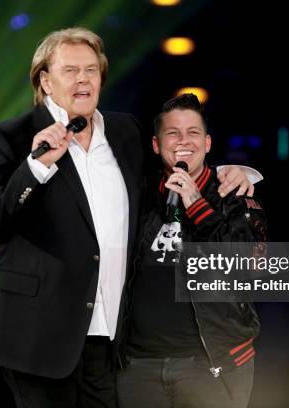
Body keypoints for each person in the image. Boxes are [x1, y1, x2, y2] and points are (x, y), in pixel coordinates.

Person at [0, 27, 259, 408]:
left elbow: (174, 161)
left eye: (91, 70)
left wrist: (233, 171)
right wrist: (37, 164)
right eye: (71, 70)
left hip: (112, 343)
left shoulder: (125, 132)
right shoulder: (9, 138)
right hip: (40, 339)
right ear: (45, 80)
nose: (83, 79)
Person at [117, 93, 268, 408]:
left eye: (193, 133)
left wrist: (197, 205)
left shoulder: (235, 195)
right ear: (157, 145)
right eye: (173, 133)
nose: (183, 141)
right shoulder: (137, 196)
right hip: (139, 367)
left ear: (208, 143)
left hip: (211, 363)